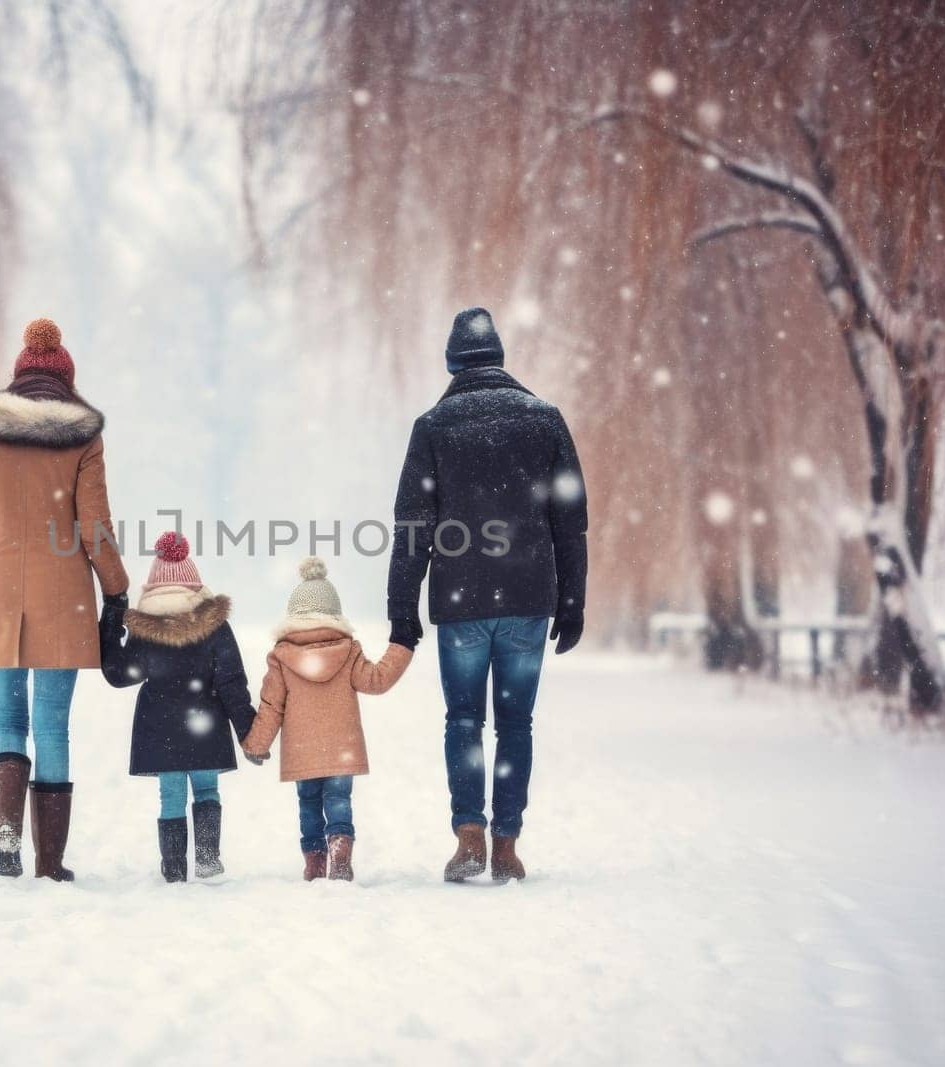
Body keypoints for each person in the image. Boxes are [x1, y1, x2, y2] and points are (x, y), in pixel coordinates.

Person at [387, 307, 588, 884]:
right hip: (528, 597)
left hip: (462, 602)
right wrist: (572, 601)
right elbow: (570, 520)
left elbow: (411, 526)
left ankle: (468, 833)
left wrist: (403, 610)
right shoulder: (544, 420)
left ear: (453, 364)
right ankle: (506, 843)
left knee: (464, 721)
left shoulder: (433, 426)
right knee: (517, 724)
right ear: (499, 359)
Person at [0, 317, 129, 882]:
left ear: (18, 376)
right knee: (52, 724)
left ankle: (5, 835)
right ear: (67, 380)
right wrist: (117, 591)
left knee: (7, 718)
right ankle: (50, 861)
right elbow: (94, 526)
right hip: (63, 595)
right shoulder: (83, 436)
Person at [241, 558, 414, 882]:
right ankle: (340, 848)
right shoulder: (348, 651)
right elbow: (376, 680)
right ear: (334, 614)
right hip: (340, 748)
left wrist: (256, 743)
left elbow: (271, 705)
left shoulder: (282, 656)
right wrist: (401, 647)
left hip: (302, 748)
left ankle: (315, 861)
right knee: (338, 800)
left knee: (308, 803)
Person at [100, 531, 257, 883]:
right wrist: (249, 730)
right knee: (206, 790)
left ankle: (173, 868)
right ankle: (206, 858)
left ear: (152, 588)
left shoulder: (145, 630)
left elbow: (119, 674)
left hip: (160, 728)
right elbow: (232, 681)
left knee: (170, 797)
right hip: (206, 723)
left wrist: (110, 627)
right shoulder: (214, 627)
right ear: (196, 586)